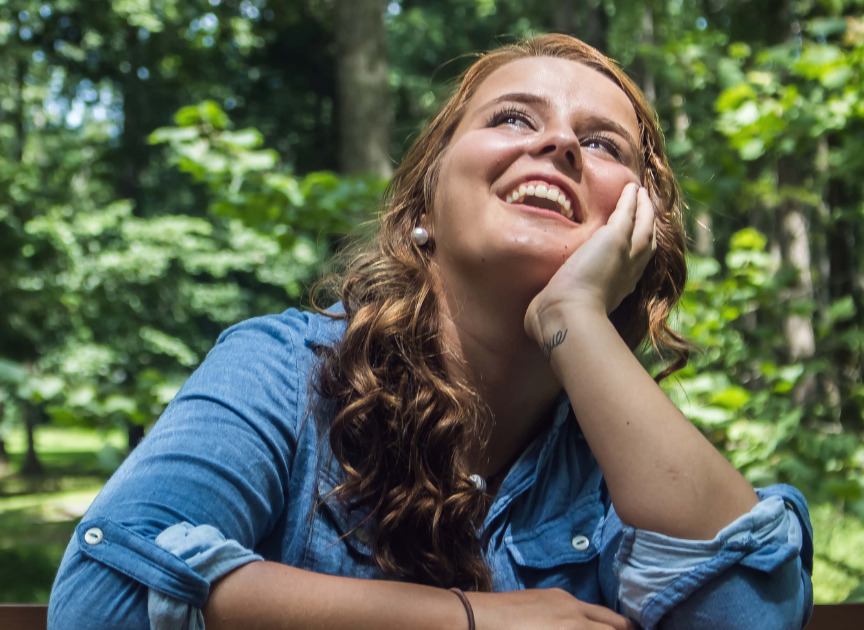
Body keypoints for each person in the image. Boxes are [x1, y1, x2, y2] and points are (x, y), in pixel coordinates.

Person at [48, 34, 813, 629]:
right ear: (422, 208)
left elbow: (747, 617)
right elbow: (103, 597)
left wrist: (572, 318)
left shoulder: (625, 464)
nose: (560, 145)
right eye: (513, 117)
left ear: (637, 228)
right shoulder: (281, 370)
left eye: (604, 143)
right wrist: (471, 619)